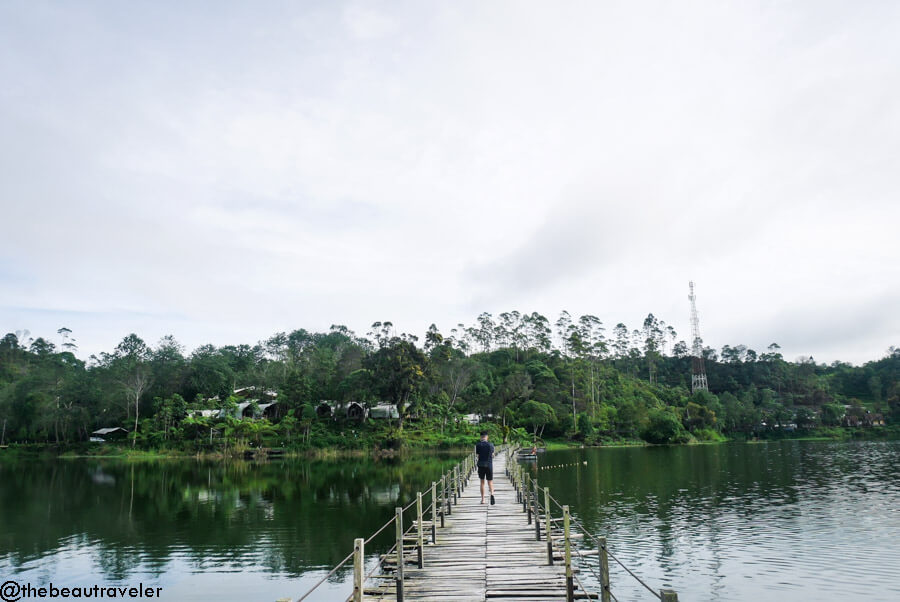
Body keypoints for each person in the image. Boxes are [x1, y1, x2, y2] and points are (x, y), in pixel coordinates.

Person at [475, 430, 495, 505]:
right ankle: (492, 493)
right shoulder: (491, 445)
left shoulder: (478, 445)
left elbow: (478, 455)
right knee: (490, 482)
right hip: (489, 465)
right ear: (487, 437)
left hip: (481, 465)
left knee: (482, 482)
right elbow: (493, 455)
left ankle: (483, 499)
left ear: (481, 437)